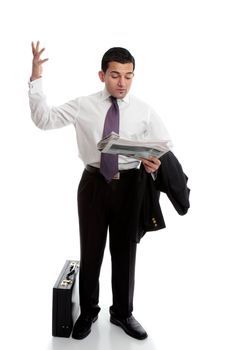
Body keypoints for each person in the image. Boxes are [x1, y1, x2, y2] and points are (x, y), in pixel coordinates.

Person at [28, 41, 172, 340]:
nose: (122, 82)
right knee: (91, 250)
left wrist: (153, 163)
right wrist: (36, 79)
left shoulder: (144, 110)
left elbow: (163, 144)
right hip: (94, 184)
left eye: (129, 76)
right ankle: (90, 311)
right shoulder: (84, 105)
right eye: (116, 75)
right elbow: (44, 120)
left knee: (125, 252)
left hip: (131, 185)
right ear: (102, 75)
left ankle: (122, 312)